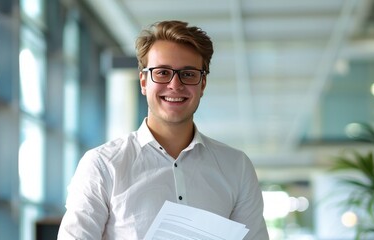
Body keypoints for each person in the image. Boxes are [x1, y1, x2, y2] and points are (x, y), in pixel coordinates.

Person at [57, 20, 269, 239]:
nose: (175, 85)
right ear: (143, 82)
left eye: (188, 74)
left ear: (202, 84)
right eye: (162, 72)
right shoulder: (102, 166)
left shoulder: (237, 168)